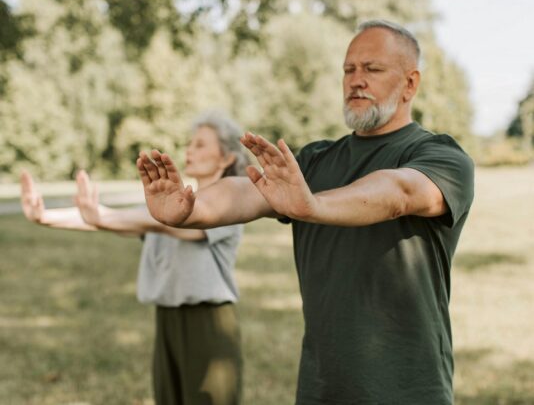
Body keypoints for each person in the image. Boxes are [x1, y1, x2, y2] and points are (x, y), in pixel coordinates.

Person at [136, 20, 475, 405]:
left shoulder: (443, 157)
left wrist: (314, 206)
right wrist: (190, 211)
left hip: (409, 390)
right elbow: (247, 191)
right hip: (321, 388)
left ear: (410, 84)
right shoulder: (316, 161)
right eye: (349, 69)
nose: (356, 81)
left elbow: (399, 192)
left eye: (372, 69)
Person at [20, 112, 250, 405]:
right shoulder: (166, 206)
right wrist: (44, 216)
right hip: (166, 317)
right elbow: (126, 220)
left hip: (208, 322)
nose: (190, 149)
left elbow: (166, 224)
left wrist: (102, 215)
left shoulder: (231, 203)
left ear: (226, 158)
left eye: (201, 144)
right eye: (190, 143)